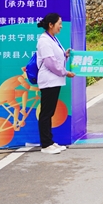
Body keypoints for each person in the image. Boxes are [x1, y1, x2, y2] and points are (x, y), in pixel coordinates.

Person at [36, 13, 75, 154]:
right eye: (59, 23)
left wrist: (65, 55)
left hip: (54, 81)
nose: (61, 26)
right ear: (51, 25)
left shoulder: (52, 38)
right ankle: (46, 144)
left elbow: (56, 58)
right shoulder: (44, 41)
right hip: (49, 81)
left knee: (49, 112)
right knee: (46, 113)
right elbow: (50, 62)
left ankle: (50, 142)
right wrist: (65, 72)